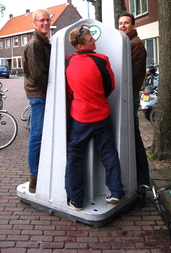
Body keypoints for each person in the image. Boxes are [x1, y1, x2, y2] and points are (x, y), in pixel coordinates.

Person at [65, 26, 125, 211]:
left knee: (75, 157)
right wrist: (98, 98)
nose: (95, 41)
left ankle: (76, 199)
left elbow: (68, 90)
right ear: (80, 45)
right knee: (108, 152)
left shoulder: (67, 62)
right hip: (101, 115)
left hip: (80, 118)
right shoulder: (101, 60)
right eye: (91, 40)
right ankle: (115, 192)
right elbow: (110, 86)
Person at [119, 13, 150, 188]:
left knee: (134, 136)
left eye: (126, 23)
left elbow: (130, 73)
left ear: (133, 25)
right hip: (126, 95)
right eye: (120, 23)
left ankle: (143, 179)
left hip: (129, 96)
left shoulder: (135, 45)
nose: (122, 26)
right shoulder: (126, 42)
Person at [23, 9, 52, 193]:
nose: (45, 23)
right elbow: (38, 74)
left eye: (47, 20)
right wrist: (55, 91)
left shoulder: (44, 42)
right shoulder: (35, 44)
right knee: (37, 136)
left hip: (42, 94)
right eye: (41, 20)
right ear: (34, 23)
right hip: (39, 95)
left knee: (40, 135)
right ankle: (34, 177)